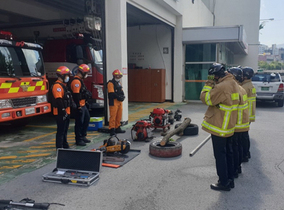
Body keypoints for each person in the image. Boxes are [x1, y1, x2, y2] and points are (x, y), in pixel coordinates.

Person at [200, 63, 239, 191]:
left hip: (220, 126)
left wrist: (208, 85)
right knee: (228, 153)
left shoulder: (222, 87)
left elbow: (206, 99)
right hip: (229, 126)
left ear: (216, 75)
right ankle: (230, 179)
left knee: (220, 155)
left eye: (213, 76)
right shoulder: (233, 83)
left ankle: (223, 182)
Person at [227, 67, 250, 177]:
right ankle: (238, 167)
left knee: (234, 149)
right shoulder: (241, 88)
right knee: (239, 147)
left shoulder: (234, 89)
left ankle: (235, 170)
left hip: (236, 124)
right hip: (242, 123)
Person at [70, 64, 92, 146]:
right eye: (86, 73)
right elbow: (76, 95)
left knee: (86, 120)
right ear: (82, 72)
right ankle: (78, 139)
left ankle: (83, 136)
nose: (86, 75)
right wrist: (78, 106)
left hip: (83, 104)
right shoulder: (76, 81)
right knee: (79, 123)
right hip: (79, 105)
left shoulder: (80, 81)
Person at [51, 66, 72, 149]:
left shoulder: (64, 85)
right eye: (66, 75)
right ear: (61, 76)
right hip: (60, 112)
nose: (68, 77)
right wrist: (63, 111)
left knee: (65, 130)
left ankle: (65, 144)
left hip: (67, 111)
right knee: (61, 130)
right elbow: (58, 100)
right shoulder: (57, 86)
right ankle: (59, 147)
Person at [241, 67, 256, 161]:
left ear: (245, 76)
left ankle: (245, 154)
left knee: (243, 136)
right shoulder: (250, 85)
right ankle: (247, 153)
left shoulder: (244, 87)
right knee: (245, 135)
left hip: (245, 114)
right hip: (249, 114)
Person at [107, 69, 126, 136]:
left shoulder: (119, 83)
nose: (118, 77)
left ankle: (117, 127)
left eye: (119, 76)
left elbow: (121, 91)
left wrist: (123, 96)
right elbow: (111, 93)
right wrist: (118, 97)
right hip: (113, 101)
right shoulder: (110, 83)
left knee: (119, 115)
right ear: (114, 76)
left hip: (119, 102)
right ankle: (111, 129)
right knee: (113, 116)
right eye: (117, 76)